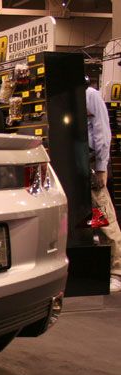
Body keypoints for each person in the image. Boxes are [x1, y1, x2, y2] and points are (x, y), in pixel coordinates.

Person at [86, 84, 121, 293]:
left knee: (104, 215)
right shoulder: (67, 97)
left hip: (91, 162)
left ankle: (117, 272)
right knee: (88, 216)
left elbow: (102, 131)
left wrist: (101, 167)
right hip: (74, 163)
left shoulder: (90, 95)